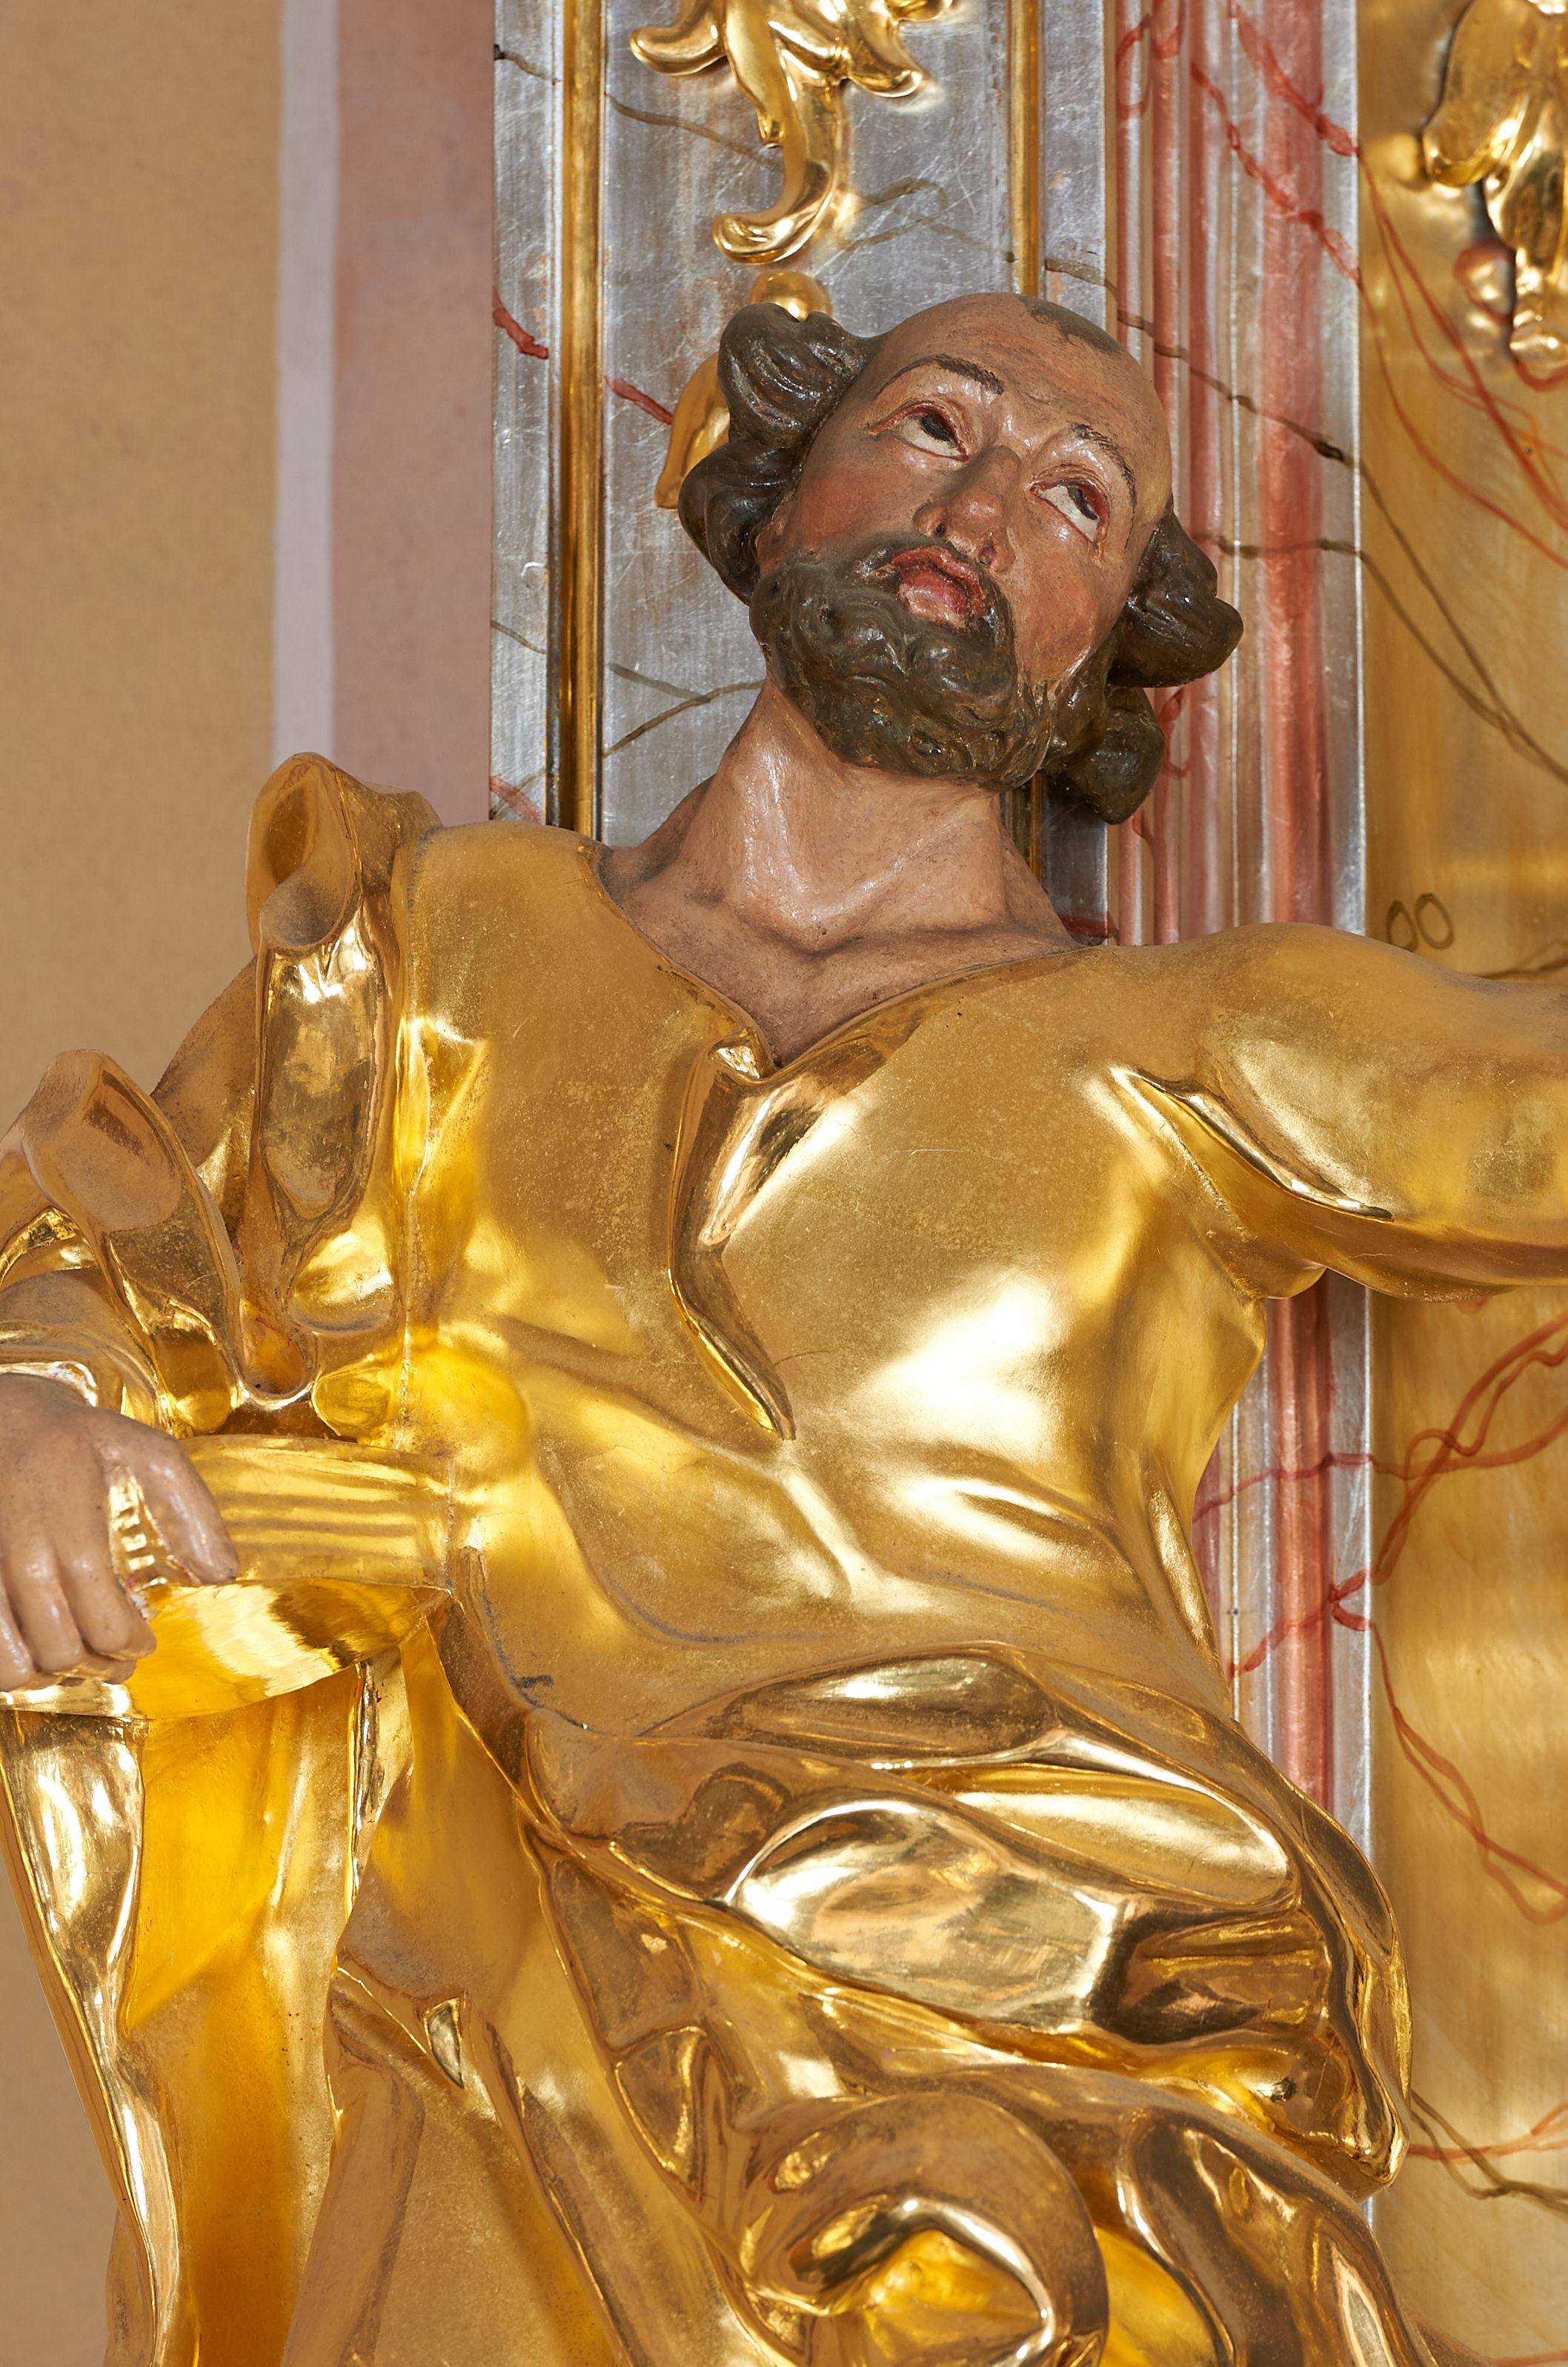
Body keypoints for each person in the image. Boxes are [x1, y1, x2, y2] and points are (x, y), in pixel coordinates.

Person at [0, 291, 1540, 2365]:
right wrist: (41, 1394)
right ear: (786, 482)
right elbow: (134, 1234)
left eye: (1076, 499)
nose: (981, 510)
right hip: (514, 1971)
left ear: (1109, 645)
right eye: (935, 427)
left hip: (1040, 2003)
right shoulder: (438, 937)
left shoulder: (1192, 1036)